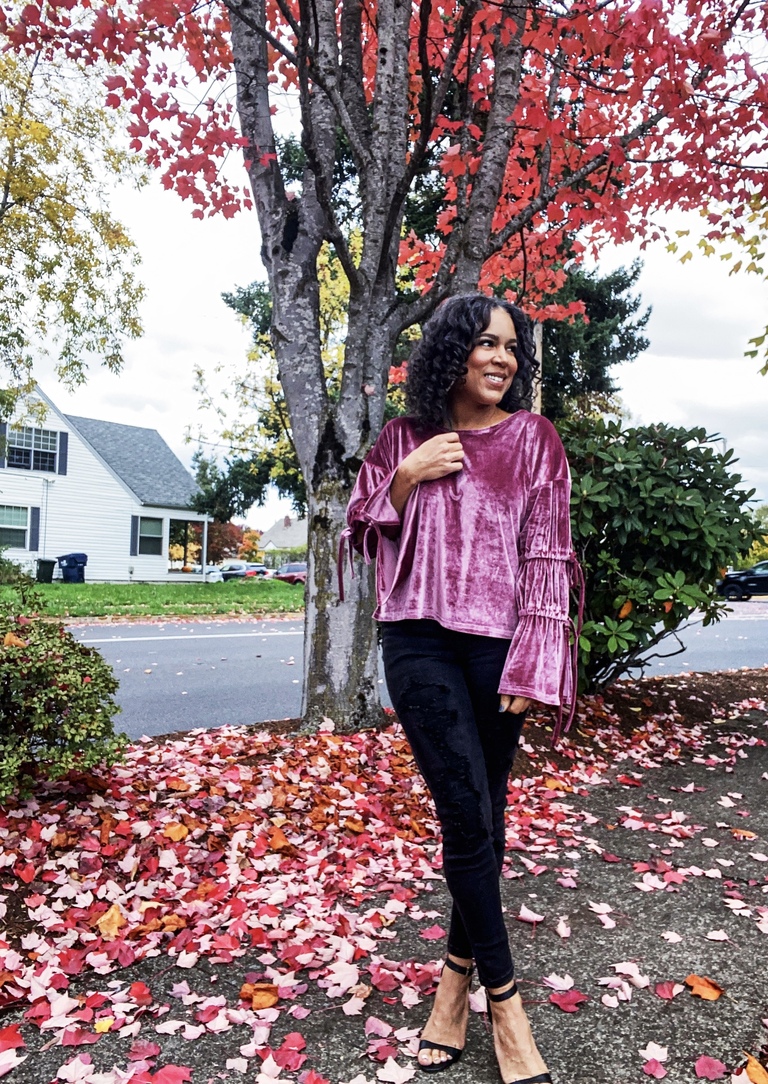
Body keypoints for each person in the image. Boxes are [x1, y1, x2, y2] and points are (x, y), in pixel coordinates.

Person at [340, 293, 581, 1084]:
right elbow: (360, 532)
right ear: (451, 352)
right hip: (416, 640)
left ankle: (452, 985)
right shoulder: (402, 440)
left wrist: (537, 659)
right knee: (462, 811)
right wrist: (404, 479)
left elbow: (549, 555)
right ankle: (506, 1008)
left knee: (484, 815)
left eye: (512, 347)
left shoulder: (535, 440)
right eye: (485, 343)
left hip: (498, 648)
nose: (502, 359)